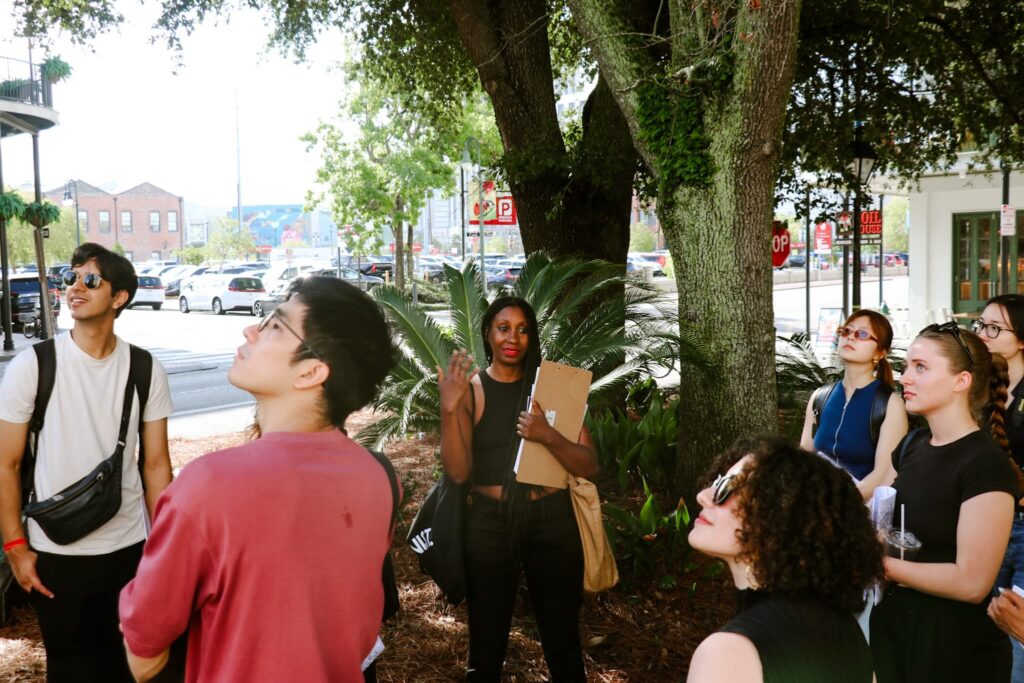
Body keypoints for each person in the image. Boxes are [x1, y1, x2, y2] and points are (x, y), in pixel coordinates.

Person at [118, 276, 399, 682]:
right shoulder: (379, 478)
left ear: (310, 372)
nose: (251, 329)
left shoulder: (210, 484)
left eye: (274, 326)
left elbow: (144, 656)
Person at [0, 243, 174, 682]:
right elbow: (6, 463)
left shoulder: (145, 369)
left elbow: (156, 465)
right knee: (72, 669)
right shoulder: (33, 365)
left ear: (120, 297)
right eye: (71, 277)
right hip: (55, 550)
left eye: (91, 280)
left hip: (129, 547)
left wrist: (168, 548)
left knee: (130, 667)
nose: (75, 287)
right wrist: (16, 547)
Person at [438, 296, 599, 682]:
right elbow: (458, 473)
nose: (513, 337)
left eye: (523, 329)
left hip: (551, 519)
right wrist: (449, 409)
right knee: (486, 647)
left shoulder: (552, 387)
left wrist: (548, 435)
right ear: (488, 335)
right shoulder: (473, 391)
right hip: (490, 524)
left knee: (563, 640)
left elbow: (590, 466)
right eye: (503, 328)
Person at [870, 322, 1021, 682]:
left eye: (921, 367)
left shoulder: (984, 463)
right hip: (895, 628)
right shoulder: (912, 445)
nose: (905, 377)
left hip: (952, 646)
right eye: (906, 366)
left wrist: (881, 566)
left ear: (961, 381)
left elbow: (972, 582)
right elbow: (881, 517)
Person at [686, 436, 881, 683]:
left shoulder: (727, 653)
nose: (703, 496)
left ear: (778, 519)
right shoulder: (851, 636)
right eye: (716, 482)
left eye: (727, 487)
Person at [800, 309, 908, 499]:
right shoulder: (819, 397)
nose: (850, 337)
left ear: (880, 352)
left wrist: (838, 505)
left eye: (862, 334)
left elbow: (883, 475)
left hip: (858, 508)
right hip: (813, 504)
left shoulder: (890, 404)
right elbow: (803, 459)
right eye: (846, 331)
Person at [974, 294, 1024, 679]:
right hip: (986, 527)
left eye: (994, 328)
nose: (983, 334)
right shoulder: (978, 387)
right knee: (985, 643)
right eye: (980, 325)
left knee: (1017, 647)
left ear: (1021, 339)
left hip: (1021, 528)